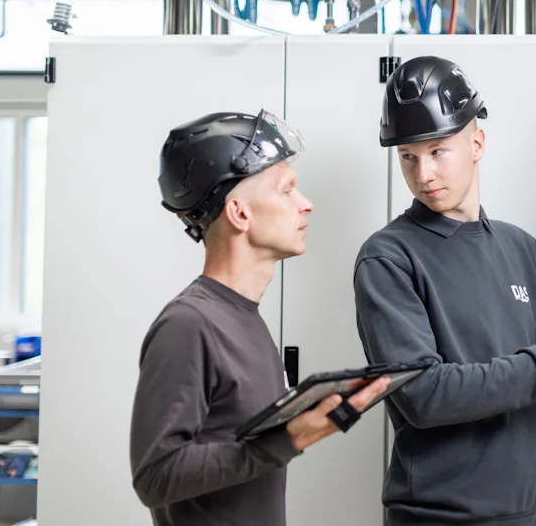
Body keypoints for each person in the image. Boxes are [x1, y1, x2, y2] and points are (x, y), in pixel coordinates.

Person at [353, 56, 536, 526]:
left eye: (437, 151)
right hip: (435, 520)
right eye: (408, 156)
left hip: (523, 514)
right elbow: (424, 395)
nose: (423, 174)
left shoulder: (516, 247)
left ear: (477, 143)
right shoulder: (388, 258)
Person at [130, 109, 389, 526]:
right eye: (287, 190)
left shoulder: (244, 318)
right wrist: (288, 438)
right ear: (240, 214)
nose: (306, 205)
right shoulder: (188, 326)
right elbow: (155, 477)